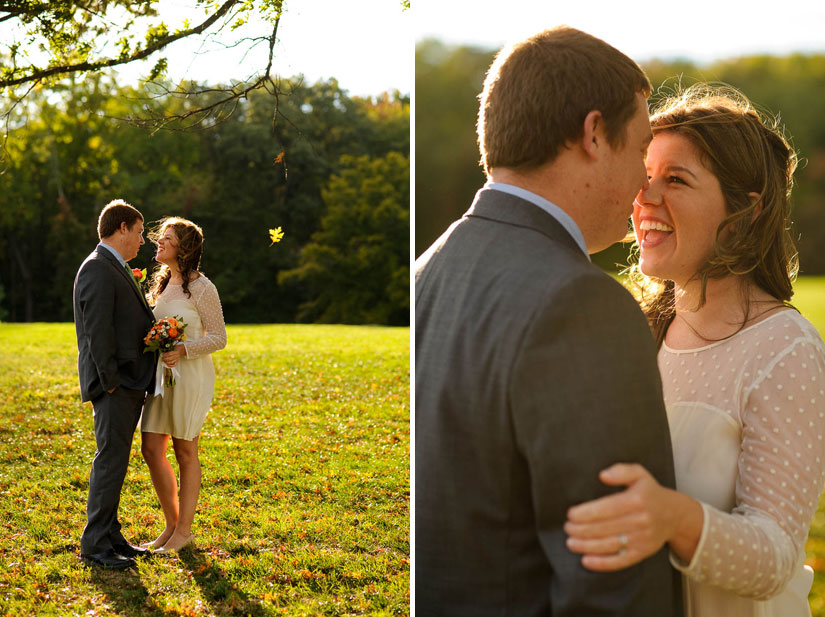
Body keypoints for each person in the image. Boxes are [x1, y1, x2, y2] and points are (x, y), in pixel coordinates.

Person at [415, 26, 683, 616]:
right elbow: (614, 580)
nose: (646, 179)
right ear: (593, 134)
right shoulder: (580, 304)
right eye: (641, 148)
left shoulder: (425, 270)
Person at [564, 84, 825, 616]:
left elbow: (776, 557)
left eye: (676, 180)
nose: (645, 199)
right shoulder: (633, 333)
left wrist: (672, 518)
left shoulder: (786, 350)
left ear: (746, 212)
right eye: (645, 176)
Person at [73, 199, 156, 569]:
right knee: (110, 461)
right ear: (121, 228)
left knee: (117, 461)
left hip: (126, 381)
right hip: (114, 384)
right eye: (139, 232)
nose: (142, 241)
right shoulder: (97, 268)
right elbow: (97, 331)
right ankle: (94, 544)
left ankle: (110, 533)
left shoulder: (114, 266)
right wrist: (110, 383)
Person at [139, 217, 227, 553]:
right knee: (151, 448)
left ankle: (183, 532)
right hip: (160, 378)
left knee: (185, 450)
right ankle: (171, 526)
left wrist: (184, 349)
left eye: (167, 238)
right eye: (160, 236)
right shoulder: (160, 285)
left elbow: (219, 338)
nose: (158, 241)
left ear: (184, 247)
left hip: (190, 377)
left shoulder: (203, 287)